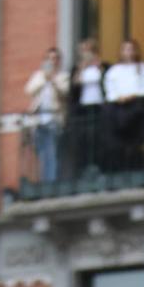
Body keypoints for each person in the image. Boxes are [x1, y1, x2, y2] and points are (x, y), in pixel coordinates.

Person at [104, 38, 144, 173]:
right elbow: (110, 89)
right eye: (125, 49)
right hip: (119, 105)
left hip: (137, 105)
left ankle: (135, 165)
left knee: (134, 137)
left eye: (131, 49)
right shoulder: (114, 70)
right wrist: (119, 98)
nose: (128, 52)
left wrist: (133, 96)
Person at [25, 45, 68, 186]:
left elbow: (65, 92)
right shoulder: (39, 76)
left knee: (52, 151)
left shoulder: (63, 76)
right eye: (49, 58)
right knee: (42, 152)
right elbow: (29, 90)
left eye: (55, 58)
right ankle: (43, 181)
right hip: (39, 120)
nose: (52, 61)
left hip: (54, 119)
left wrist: (53, 81)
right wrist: (45, 78)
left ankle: (50, 183)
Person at [68, 37, 105, 172]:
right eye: (83, 50)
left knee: (98, 136)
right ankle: (84, 167)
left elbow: (106, 81)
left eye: (88, 50)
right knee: (84, 138)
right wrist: (82, 68)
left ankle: (99, 165)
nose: (86, 53)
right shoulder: (77, 69)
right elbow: (74, 87)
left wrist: (98, 65)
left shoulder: (101, 66)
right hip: (83, 108)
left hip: (99, 105)